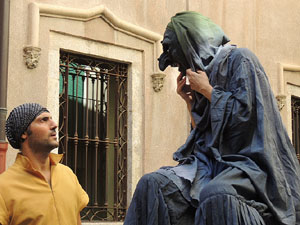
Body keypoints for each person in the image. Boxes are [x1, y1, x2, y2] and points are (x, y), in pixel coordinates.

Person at [124, 11, 300, 225]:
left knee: (216, 193)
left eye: (175, 54)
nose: (176, 64)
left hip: (251, 162)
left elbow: (248, 119)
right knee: (152, 184)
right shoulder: (201, 76)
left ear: (190, 41)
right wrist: (190, 101)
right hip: (210, 163)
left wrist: (208, 90)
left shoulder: (240, 59)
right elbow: (204, 134)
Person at [0, 103, 89, 225]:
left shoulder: (68, 174)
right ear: (24, 133)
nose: (54, 125)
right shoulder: (3, 187)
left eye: (51, 119)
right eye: (43, 120)